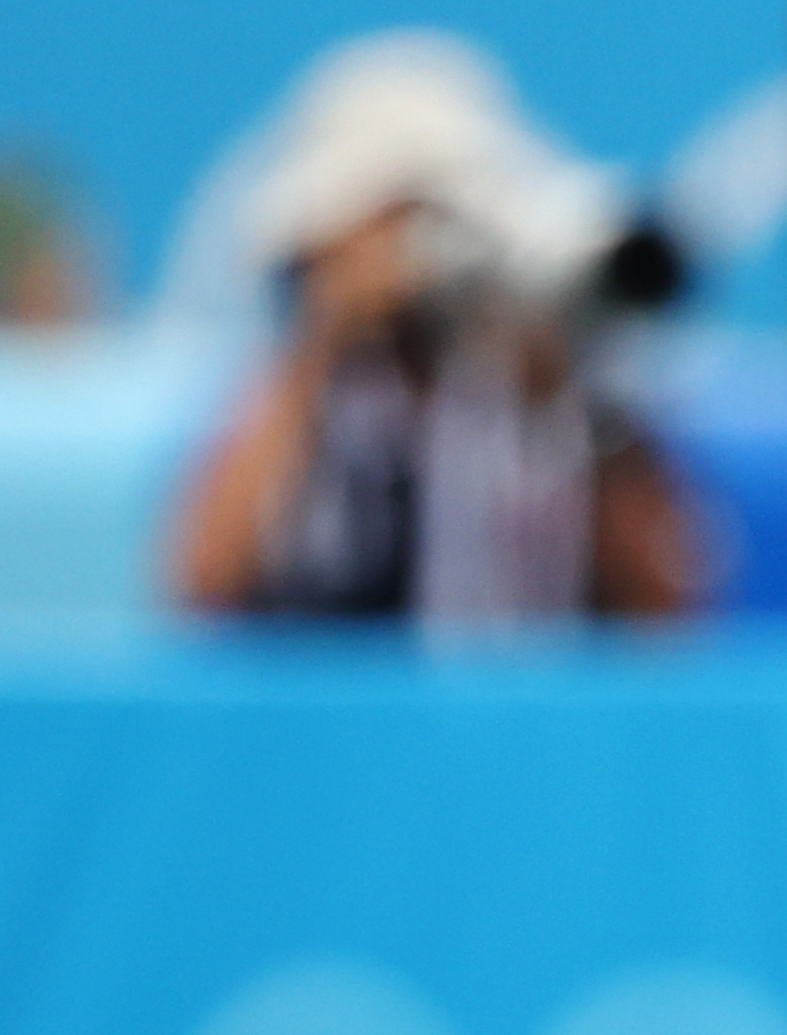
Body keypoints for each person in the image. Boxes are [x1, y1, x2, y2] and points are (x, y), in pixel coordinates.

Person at [169, 33, 696, 624]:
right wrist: (321, 346)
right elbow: (205, 587)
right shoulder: (304, 393)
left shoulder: (545, 389)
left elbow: (666, 614)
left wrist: (561, 389)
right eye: (392, 218)